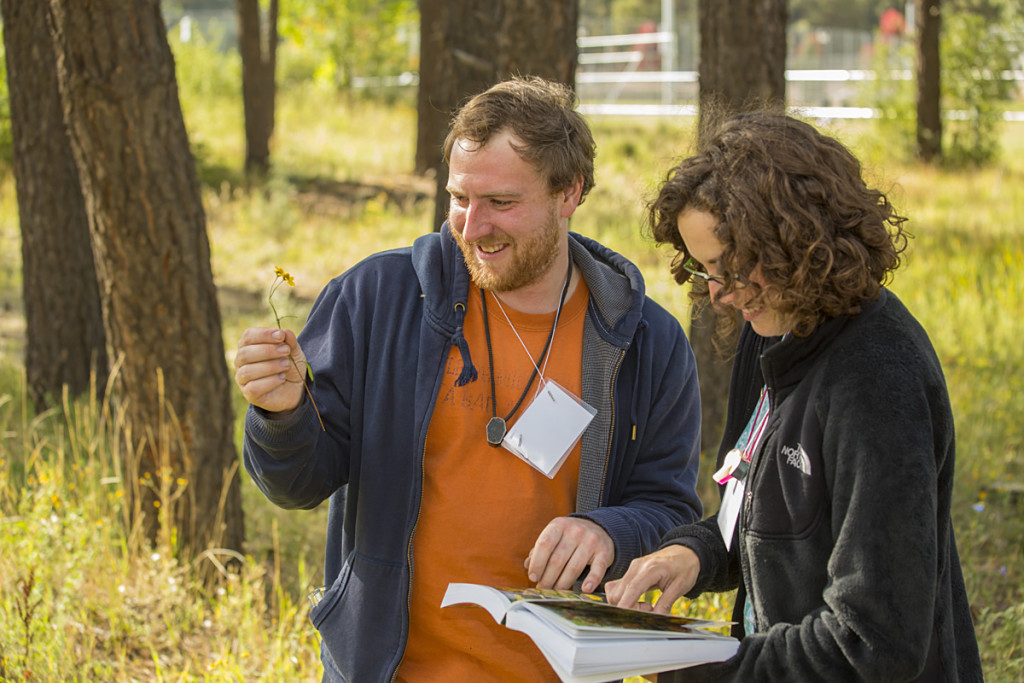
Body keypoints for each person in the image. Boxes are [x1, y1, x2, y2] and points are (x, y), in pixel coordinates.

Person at [233, 76, 703, 683]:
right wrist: (280, 414)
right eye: (459, 198)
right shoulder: (377, 298)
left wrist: (608, 532)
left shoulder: (646, 341)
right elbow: (296, 483)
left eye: (501, 203)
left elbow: (669, 509)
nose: (471, 226)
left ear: (569, 193)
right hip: (388, 670)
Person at [605, 111, 983, 681]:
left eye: (730, 270)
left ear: (797, 244)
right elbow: (764, 512)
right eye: (703, 269)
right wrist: (694, 553)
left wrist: (696, 667)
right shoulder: (773, 338)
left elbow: (874, 640)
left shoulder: (876, 382)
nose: (719, 295)